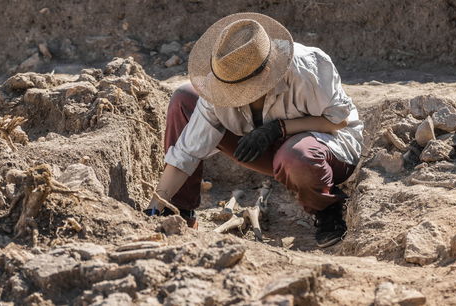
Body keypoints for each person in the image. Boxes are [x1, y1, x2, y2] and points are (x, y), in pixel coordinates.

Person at [145, 12, 364, 248]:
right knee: (185, 98)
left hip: (327, 147)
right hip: (269, 150)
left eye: (244, 89)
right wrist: (156, 205)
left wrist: (278, 128)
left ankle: (327, 208)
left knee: (296, 156)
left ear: (267, 72)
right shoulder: (222, 81)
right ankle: (178, 213)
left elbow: (338, 121)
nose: (234, 97)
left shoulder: (308, 68)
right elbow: (186, 152)